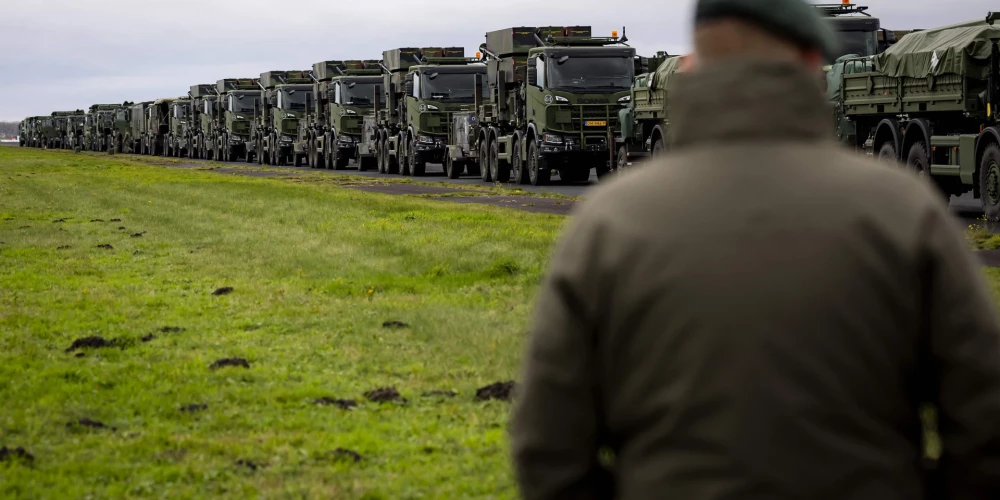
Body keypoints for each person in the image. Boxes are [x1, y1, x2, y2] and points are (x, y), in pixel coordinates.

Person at [510, 0, 1000, 498]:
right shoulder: (903, 211)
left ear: (693, 66)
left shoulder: (608, 223)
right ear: (814, 64)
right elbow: (985, 422)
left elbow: (548, 450)